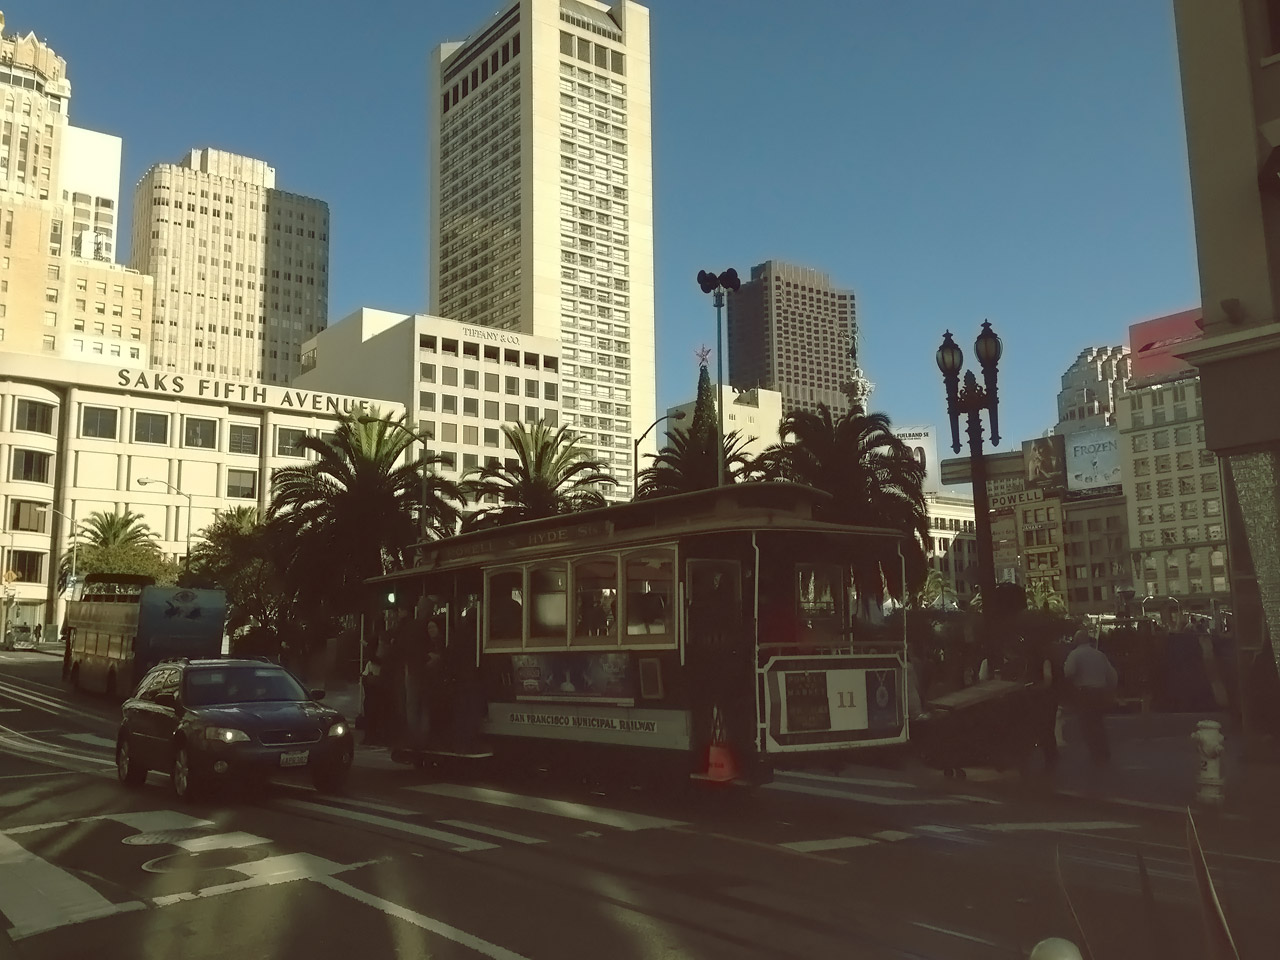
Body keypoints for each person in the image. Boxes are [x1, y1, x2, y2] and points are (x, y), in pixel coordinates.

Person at [1064, 628, 1117, 765]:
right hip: (1100, 692)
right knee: (1098, 722)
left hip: (1084, 692)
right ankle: (1103, 751)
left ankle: (1095, 752)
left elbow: (1069, 672)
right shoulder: (1099, 654)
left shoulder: (1074, 655)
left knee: (1087, 724)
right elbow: (1112, 675)